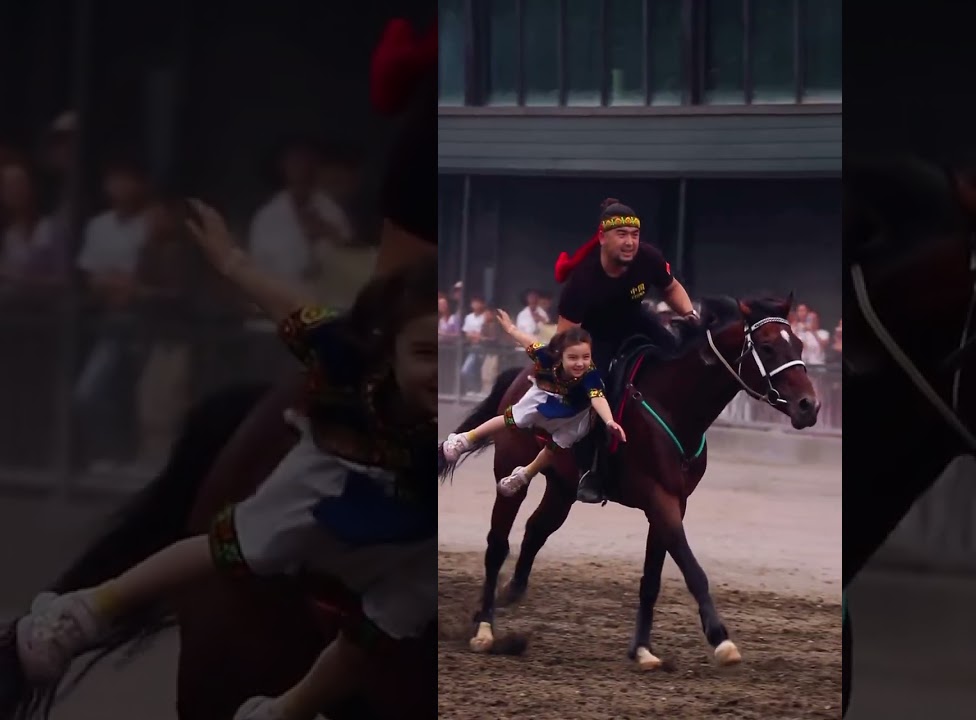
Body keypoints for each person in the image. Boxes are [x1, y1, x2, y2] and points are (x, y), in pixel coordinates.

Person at [14, 199, 436, 720]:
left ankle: (283, 712)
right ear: (388, 348)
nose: (438, 373)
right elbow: (292, 310)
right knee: (240, 542)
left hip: (413, 522)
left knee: (393, 621)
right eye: (423, 354)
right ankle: (85, 612)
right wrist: (234, 263)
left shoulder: (465, 414)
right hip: (332, 471)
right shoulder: (346, 356)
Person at [553, 198, 697, 503]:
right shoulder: (583, 279)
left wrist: (689, 315)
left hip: (637, 320)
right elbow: (565, 336)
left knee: (678, 357)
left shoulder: (648, 258)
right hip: (595, 336)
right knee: (594, 393)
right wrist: (573, 373)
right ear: (603, 238)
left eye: (634, 235)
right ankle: (590, 469)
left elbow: (670, 288)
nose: (630, 242)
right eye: (622, 235)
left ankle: (683, 443)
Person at [441, 309, 625, 496]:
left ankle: (525, 474)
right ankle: (464, 440)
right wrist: (511, 329)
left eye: (586, 357)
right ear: (560, 355)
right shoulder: (546, 357)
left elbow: (598, 398)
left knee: (560, 442)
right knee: (512, 417)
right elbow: (528, 341)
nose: (580, 363)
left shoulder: (590, 375)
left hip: (576, 411)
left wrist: (609, 421)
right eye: (573, 358)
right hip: (546, 393)